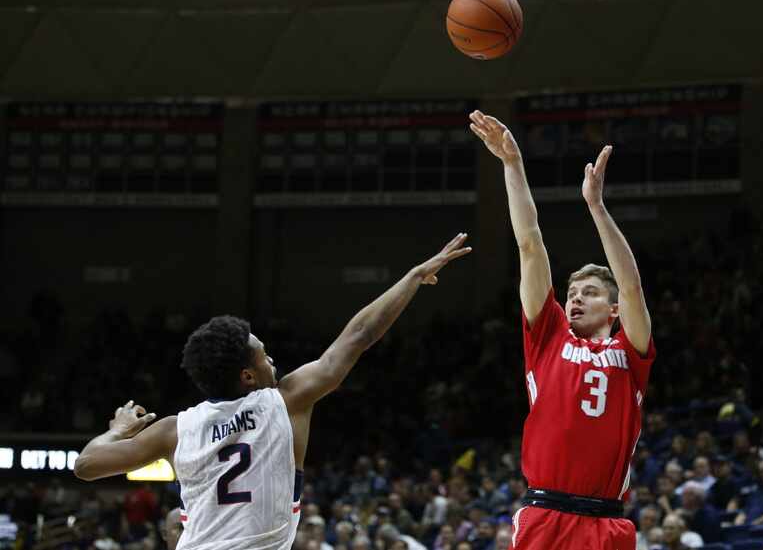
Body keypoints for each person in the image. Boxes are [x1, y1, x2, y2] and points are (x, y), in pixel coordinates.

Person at [73, 234, 472, 550]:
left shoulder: (177, 429)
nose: (272, 362)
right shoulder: (286, 401)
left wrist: (118, 429)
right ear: (248, 376)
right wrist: (413, 278)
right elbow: (360, 336)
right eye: (265, 357)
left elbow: (86, 466)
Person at [470, 110, 655, 550]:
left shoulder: (631, 353)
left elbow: (630, 283)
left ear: (613, 309)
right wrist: (512, 165)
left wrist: (596, 207)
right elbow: (529, 243)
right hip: (546, 514)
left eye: (588, 292)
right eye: (571, 291)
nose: (574, 298)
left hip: (607, 523)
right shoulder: (548, 335)